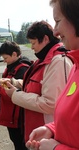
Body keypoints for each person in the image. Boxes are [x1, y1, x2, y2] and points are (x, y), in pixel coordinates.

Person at [3, 21, 73, 144]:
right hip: (42, 132)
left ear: (45, 39)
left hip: (49, 133)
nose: (32, 47)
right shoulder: (46, 58)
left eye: (33, 42)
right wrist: (16, 82)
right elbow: (39, 83)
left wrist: (15, 95)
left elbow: (50, 104)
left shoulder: (57, 61)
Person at [26, 0, 79, 149]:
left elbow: (49, 103)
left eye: (57, 21)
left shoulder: (59, 61)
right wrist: (52, 128)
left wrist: (55, 148)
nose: (55, 32)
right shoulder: (76, 64)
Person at [0, 41, 32, 150]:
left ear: (14, 54)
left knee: (20, 144)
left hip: (18, 116)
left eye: (6, 58)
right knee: (16, 141)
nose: (4, 60)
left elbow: (13, 93)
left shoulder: (22, 69)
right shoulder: (11, 66)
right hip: (11, 114)